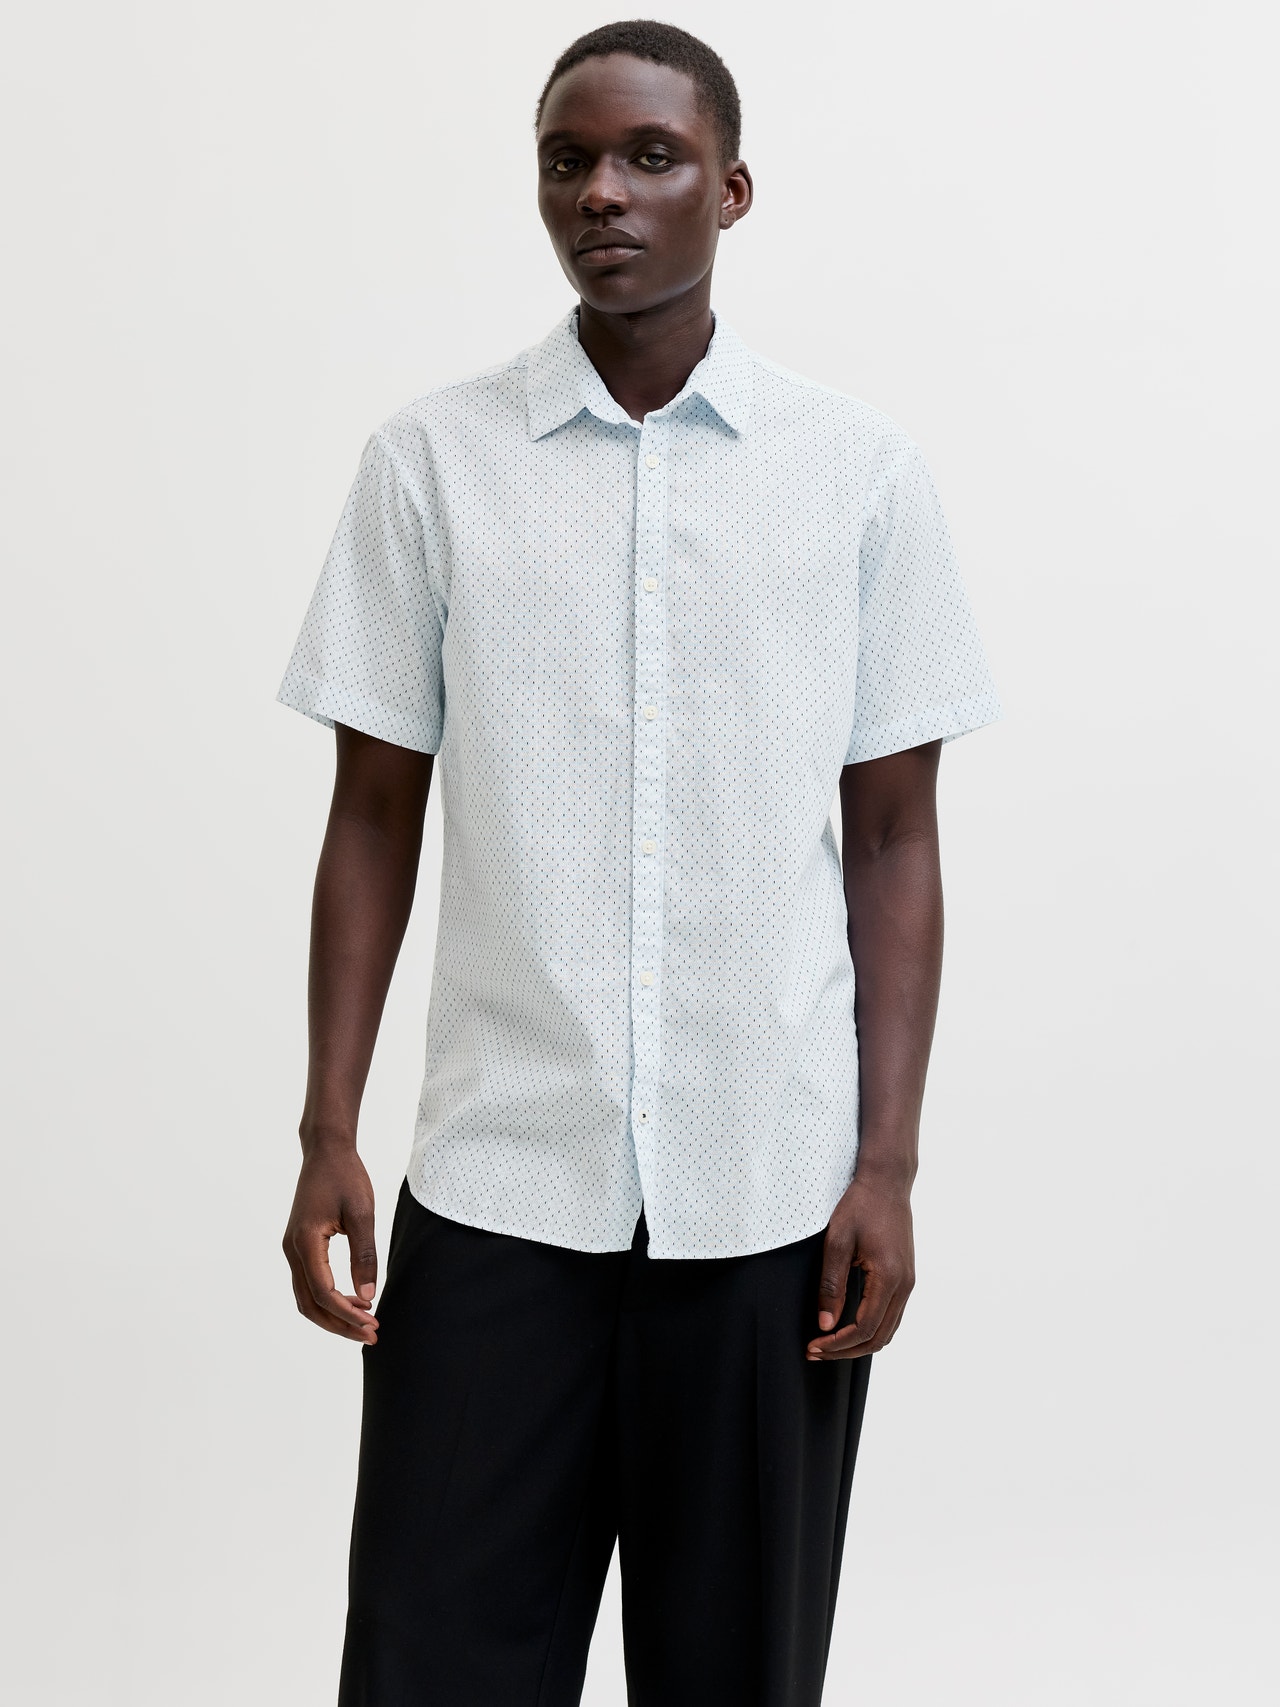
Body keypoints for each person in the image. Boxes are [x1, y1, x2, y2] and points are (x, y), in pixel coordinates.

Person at [276, 19, 1001, 1707]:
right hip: (499, 1192)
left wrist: (887, 1166)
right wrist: (326, 1131)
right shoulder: (430, 466)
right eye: (568, 161)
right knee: (431, 1670)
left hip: (771, 1205)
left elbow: (896, 836)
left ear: (731, 191)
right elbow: (370, 813)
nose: (602, 192)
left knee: (737, 1677)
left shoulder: (860, 478)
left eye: (649, 157)